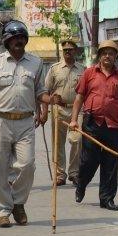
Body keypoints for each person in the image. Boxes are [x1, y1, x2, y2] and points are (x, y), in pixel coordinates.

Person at [0, 20, 50, 228]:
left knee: (27, 164)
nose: (19, 42)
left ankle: (18, 203)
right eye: (14, 39)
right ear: (7, 41)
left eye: (22, 39)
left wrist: (49, 103)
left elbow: (40, 91)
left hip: (25, 122)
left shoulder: (36, 63)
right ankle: (2, 211)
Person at [67, 40, 118, 211]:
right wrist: (74, 120)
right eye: (104, 53)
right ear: (100, 56)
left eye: (111, 53)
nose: (107, 56)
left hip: (113, 125)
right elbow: (79, 98)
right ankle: (81, 184)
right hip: (92, 123)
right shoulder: (89, 73)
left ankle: (107, 199)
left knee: (110, 163)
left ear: (115, 56)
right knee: (89, 160)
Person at [40, 39, 86, 186]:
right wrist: (44, 112)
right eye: (65, 50)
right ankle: (60, 175)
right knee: (57, 143)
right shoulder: (54, 69)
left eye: (70, 50)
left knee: (77, 140)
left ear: (75, 51)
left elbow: (87, 92)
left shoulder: (83, 70)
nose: (67, 52)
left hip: (77, 110)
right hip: (58, 109)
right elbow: (45, 91)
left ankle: (74, 173)